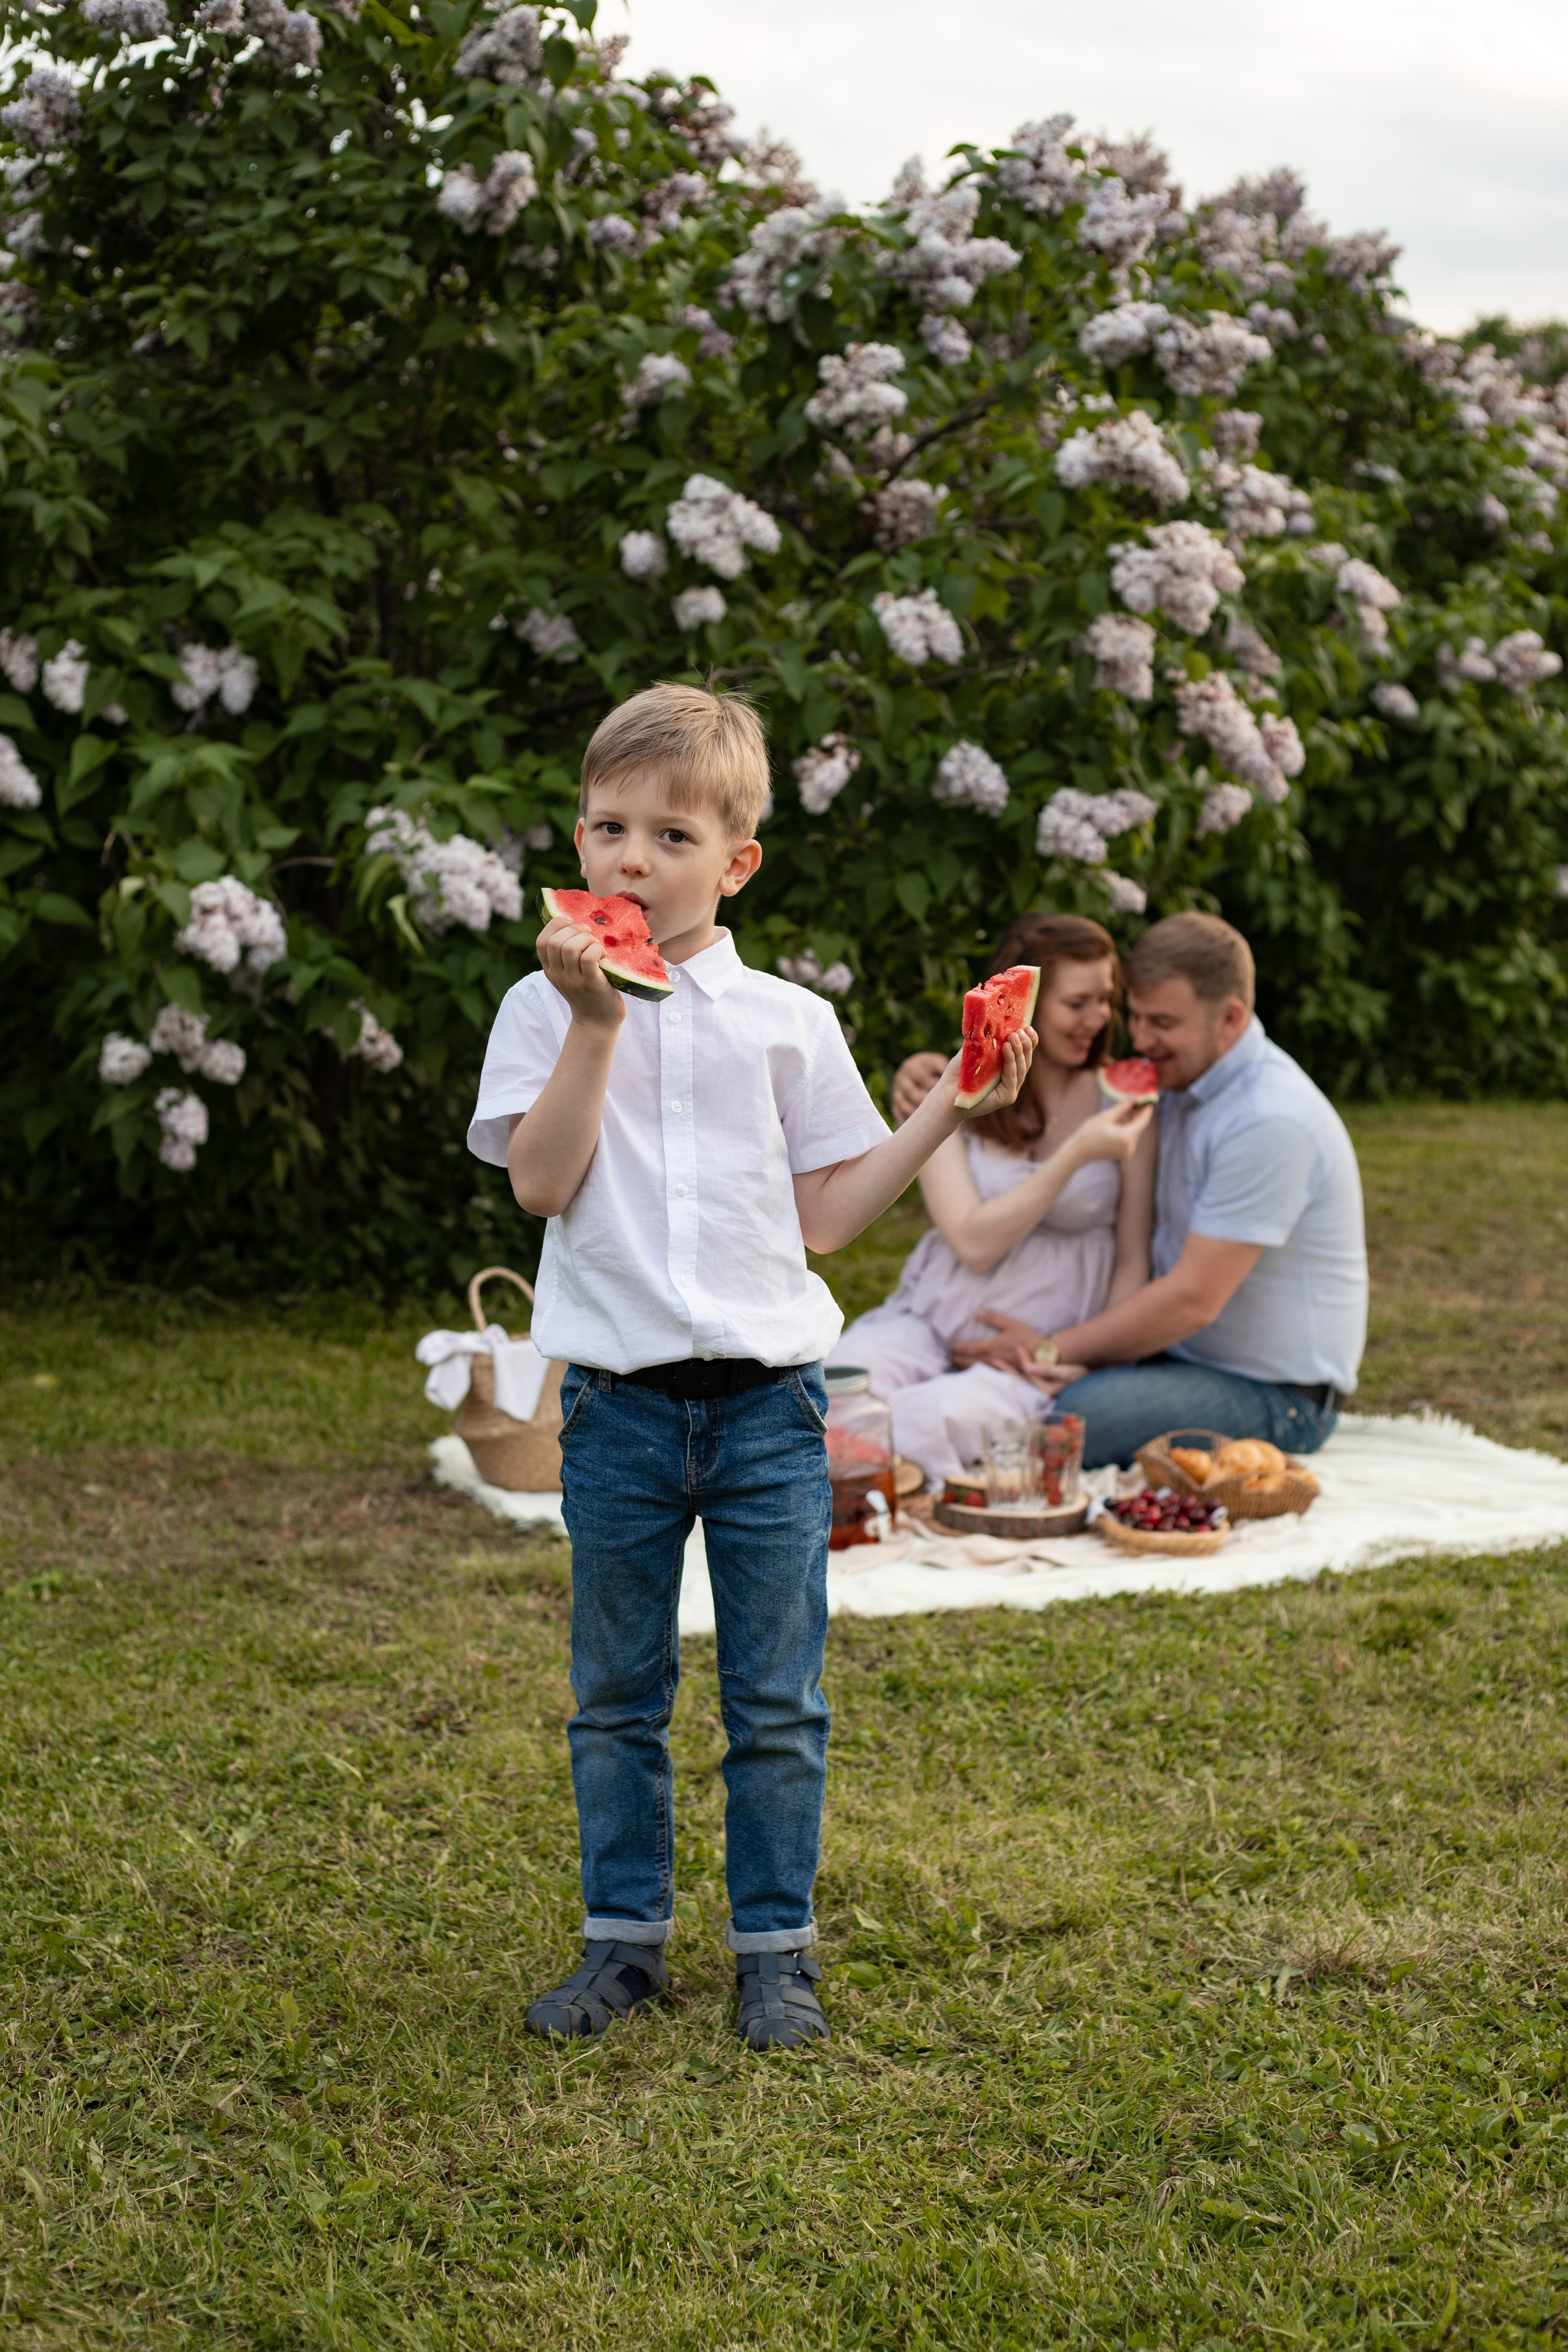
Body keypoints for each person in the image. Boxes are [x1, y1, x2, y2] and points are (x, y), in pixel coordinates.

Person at [467, 683, 1036, 2051]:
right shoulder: (542, 1010)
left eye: (669, 837)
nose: (627, 862)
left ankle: (774, 1953)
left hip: (774, 1412)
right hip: (615, 1415)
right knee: (617, 1700)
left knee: (776, 1702)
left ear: (735, 864)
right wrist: (594, 1026)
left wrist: (956, 1101)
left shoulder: (787, 1020)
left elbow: (829, 1216)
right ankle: (623, 1948)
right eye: (606, 829)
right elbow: (540, 1188)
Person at [891, 911, 1368, 1470]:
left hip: (1274, 1390)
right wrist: (928, 1072)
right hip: (1169, 1354)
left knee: (1069, 1417)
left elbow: (1193, 1299)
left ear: (1231, 1019)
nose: (1140, 1040)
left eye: (1162, 1023)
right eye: (1135, 1017)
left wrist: (1048, 1351)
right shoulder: (1178, 1080)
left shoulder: (1268, 1121)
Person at [827, 913, 1156, 1484]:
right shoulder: (959, 1086)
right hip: (931, 1319)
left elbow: (1132, 1254)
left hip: (1026, 1355)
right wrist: (1075, 1155)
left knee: (919, 1422)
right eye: (1077, 1003)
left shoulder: (1125, 1107)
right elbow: (973, 1242)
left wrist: (1089, 1359)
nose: (1098, 1018)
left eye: (1105, 999)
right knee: (835, 1388)